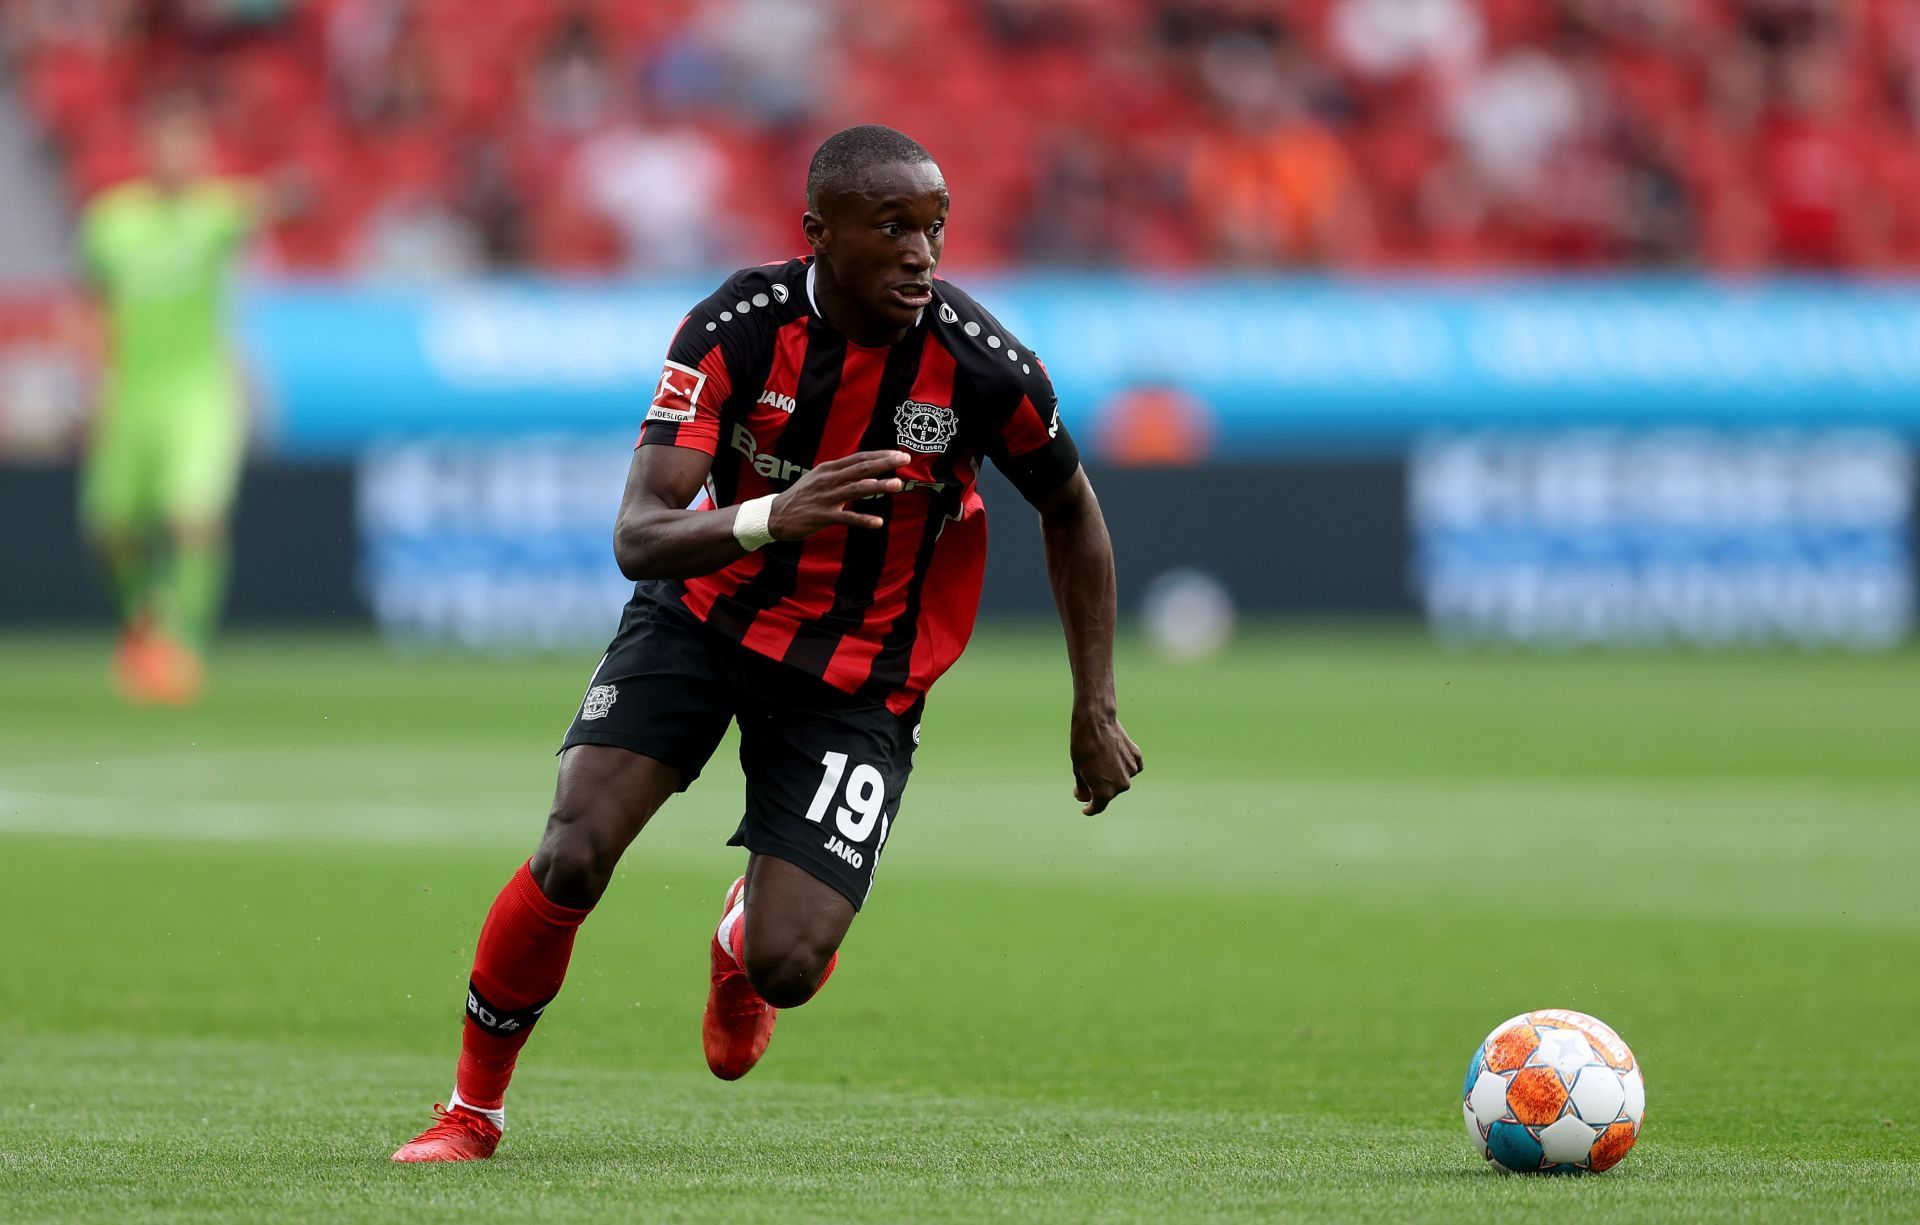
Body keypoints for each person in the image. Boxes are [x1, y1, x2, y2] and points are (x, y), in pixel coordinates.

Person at [392, 124, 1144, 1163]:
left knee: (791, 962)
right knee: (572, 848)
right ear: (818, 235)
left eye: (935, 228)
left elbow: (1072, 509)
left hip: (858, 674)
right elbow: (638, 535)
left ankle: (742, 937)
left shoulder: (981, 362)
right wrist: (767, 518)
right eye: (893, 229)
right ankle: (471, 1114)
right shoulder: (735, 329)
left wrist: (1093, 704)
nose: (923, 254)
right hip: (703, 618)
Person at [78, 95, 261, 705]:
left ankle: (182, 644)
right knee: (112, 532)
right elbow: (90, 306)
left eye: (189, 143)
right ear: (147, 149)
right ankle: (145, 622)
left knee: (192, 517)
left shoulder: (217, 213)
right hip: (128, 397)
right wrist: (86, 379)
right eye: (167, 142)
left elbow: (277, 206)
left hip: (198, 396)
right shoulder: (111, 222)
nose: (178, 156)